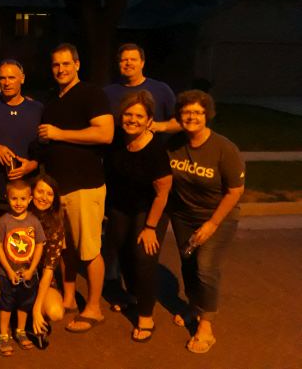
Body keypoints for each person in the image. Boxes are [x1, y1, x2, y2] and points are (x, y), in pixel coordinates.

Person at [38, 43, 113, 333]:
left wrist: (59, 134)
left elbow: (105, 134)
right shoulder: (52, 100)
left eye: (66, 64)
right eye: (56, 65)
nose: (61, 69)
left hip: (84, 185)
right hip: (59, 188)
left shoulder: (92, 94)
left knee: (89, 249)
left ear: (77, 64)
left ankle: (94, 308)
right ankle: (69, 297)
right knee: (65, 248)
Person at [167, 90, 245, 354]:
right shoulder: (174, 144)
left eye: (197, 112)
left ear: (207, 115)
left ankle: (206, 325)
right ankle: (193, 306)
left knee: (206, 267)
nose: (191, 117)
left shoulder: (224, 148)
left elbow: (235, 191)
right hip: (183, 216)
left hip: (218, 217)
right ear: (179, 116)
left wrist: (212, 224)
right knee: (189, 264)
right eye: (186, 112)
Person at [104, 90, 172, 343]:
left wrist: (151, 227)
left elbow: (163, 192)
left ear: (149, 120)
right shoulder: (117, 140)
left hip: (150, 208)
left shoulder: (155, 150)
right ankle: (132, 295)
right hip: (122, 206)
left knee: (144, 255)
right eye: (128, 114)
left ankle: (146, 316)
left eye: (139, 116)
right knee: (121, 249)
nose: (132, 119)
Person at [0, 179, 45, 356]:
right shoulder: (4, 221)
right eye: (14, 198)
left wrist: (32, 269)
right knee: (6, 304)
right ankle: (3, 335)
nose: (18, 203)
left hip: (28, 274)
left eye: (22, 198)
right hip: (7, 274)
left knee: (25, 303)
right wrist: (8, 270)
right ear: (7, 198)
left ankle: (20, 331)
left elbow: (39, 245)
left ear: (30, 199)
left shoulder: (34, 221)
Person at [0, 59, 43, 198]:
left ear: (22, 79)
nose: (7, 83)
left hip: (29, 191)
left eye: (11, 78)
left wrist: (33, 164)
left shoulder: (37, 109)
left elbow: (46, 146)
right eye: (2, 78)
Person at [103, 43, 180, 134]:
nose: (128, 63)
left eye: (133, 59)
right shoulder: (107, 93)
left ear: (142, 63)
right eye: (124, 60)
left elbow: (180, 123)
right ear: (119, 64)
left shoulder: (161, 89)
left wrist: (159, 126)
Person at [28, 174, 65, 340]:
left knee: (56, 312)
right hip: (14, 274)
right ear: (31, 193)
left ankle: (35, 315)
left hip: (41, 278)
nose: (44, 197)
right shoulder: (18, 214)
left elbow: (49, 270)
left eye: (49, 194)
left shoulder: (56, 225)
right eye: (40, 191)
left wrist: (37, 308)